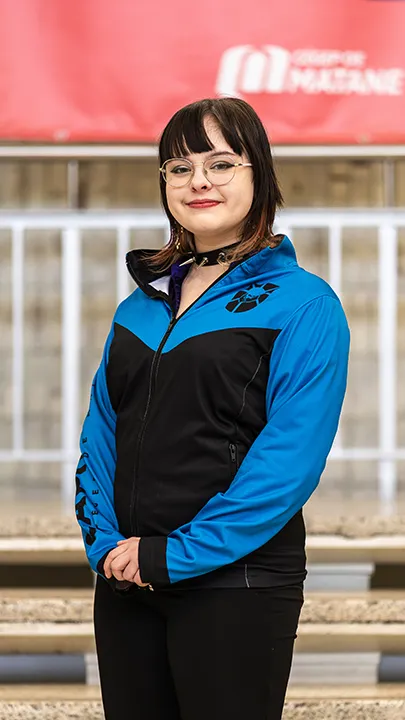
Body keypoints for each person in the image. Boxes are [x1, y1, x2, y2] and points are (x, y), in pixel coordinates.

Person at [75, 97, 350, 720]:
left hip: (236, 582)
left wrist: (174, 554)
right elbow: (101, 435)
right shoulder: (139, 307)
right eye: (179, 167)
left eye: (222, 163)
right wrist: (107, 545)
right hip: (127, 578)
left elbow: (288, 462)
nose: (198, 181)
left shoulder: (304, 304)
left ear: (261, 176)